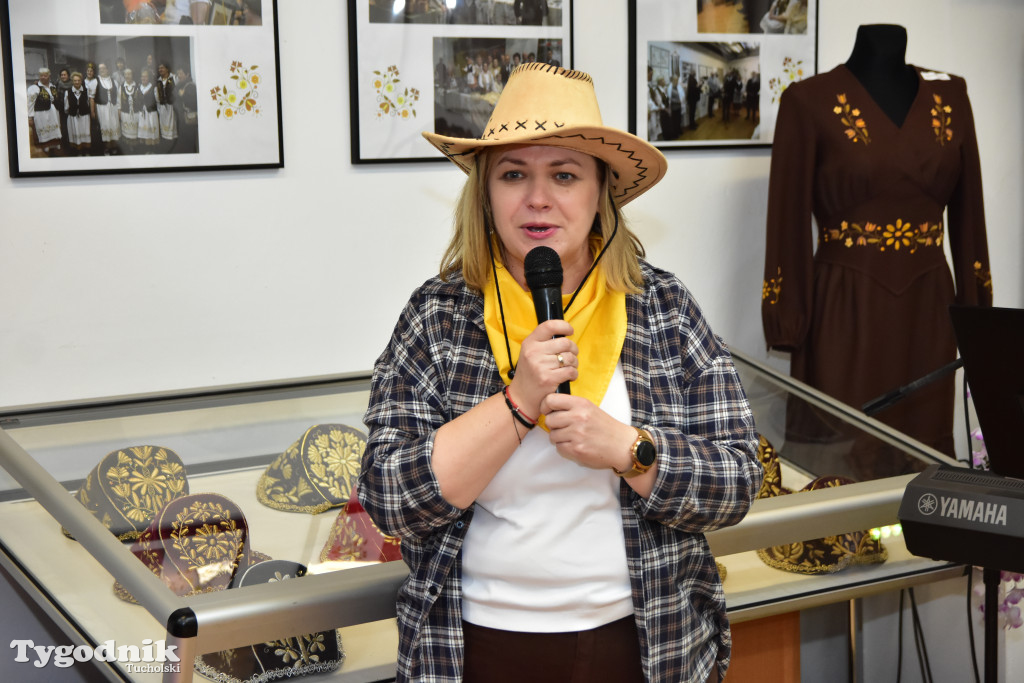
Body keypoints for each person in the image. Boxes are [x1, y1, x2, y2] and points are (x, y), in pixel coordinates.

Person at [358, 63, 762, 683]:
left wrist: (631, 449)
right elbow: (389, 501)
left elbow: (737, 482)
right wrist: (517, 402)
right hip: (475, 647)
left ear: (601, 193)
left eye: (564, 175)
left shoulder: (662, 307)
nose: (537, 198)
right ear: (485, 195)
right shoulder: (438, 315)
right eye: (513, 174)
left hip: (647, 643)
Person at [27, 67, 62, 155]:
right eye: (41, 75)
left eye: (45, 75)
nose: (43, 77)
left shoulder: (52, 86)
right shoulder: (34, 88)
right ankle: (46, 148)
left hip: (53, 113)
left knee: (54, 130)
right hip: (41, 114)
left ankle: (53, 147)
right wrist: (30, 117)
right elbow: (30, 103)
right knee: (45, 131)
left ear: (49, 76)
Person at [92, 62, 120, 154]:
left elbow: (118, 96)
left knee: (114, 125)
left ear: (107, 69)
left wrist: (119, 109)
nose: (102, 70)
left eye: (103, 68)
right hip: (102, 108)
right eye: (100, 69)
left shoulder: (114, 81)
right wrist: (93, 111)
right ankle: (106, 148)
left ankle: (114, 147)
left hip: (113, 108)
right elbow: (92, 98)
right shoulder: (95, 81)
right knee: (105, 126)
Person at [64, 71, 92, 154]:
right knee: (75, 132)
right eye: (75, 80)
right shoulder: (68, 92)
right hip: (73, 117)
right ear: (72, 81)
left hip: (84, 116)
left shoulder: (86, 91)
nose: (77, 82)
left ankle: (85, 150)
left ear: (81, 81)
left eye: (78, 80)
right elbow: (66, 106)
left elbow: (88, 103)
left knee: (85, 132)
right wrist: (71, 112)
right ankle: (77, 151)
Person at [173, 66, 199, 153]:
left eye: (181, 73)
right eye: (178, 73)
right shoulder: (180, 85)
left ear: (187, 74)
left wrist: (183, 95)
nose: (179, 75)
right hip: (182, 120)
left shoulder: (190, 86)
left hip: (188, 122)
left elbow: (193, 104)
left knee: (188, 144)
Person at [119, 68, 142, 153]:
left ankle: (136, 147)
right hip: (125, 113)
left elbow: (141, 99)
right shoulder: (121, 87)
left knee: (136, 130)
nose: (127, 76)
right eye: (126, 74)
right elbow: (118, 100)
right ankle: (129, 147)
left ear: (132, 75)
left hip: (136, 113)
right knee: (127, 131)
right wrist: (119, 111)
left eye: (129, 74)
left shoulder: (137, 86)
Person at [155, 62, 177, 148]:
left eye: (162, 68)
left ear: (167, 69)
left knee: (172, 125)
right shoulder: (158, 81)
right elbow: (156, 94)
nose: (160, 70)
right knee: (164, 126)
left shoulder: (173, 78)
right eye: (159, 68)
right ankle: (165, 145)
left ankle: (173, 144)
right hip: (162, 107)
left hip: (172, 107)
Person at [137, 68, 160, 149]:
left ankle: (153, 149)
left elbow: (157, 100)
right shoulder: (139, 87)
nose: (143, 78)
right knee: (144, 133)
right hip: (142, 113)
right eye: (142, 76)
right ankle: (145, 149)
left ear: (149, 77)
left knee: (151, 133)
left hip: (151, 113)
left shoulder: (153, 87)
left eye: (145, 76)